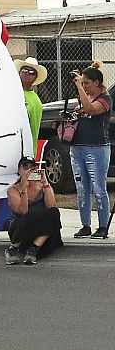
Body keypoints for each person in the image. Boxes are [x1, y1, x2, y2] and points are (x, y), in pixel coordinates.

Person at [0, 57, 47, 241]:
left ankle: (18, 222)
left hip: (26, 152)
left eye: (31, 72)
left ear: (35, 77)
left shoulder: (35, 100)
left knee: (24, 188)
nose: (27, 74)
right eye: (25, 70)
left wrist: (31, 154)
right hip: (6, 149)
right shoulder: (11, 95)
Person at [69, 60, 112, 239]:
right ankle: (85, 224)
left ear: (96, 83)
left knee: (98, 187)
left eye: (86, 83)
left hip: (97, 148)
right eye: (82, 83)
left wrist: (79, 88)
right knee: (82, 187)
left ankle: (103, 226)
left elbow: (91, 110)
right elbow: (83, 110)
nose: (84, 86)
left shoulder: (105, 99)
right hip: (77, 146)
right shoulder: (85, 98)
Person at [4, 156, 62, 265]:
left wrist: (45, 183)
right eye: (25, 167)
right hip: (22, 228)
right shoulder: (13, 190)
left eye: (32, 167)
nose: (29, 170)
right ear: (19, 170)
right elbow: (22, 211)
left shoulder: (41, 186)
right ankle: (14, 248)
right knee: (30, 215)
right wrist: (24, 189)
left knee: (54, 213)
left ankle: (35, 247)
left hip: (42, 231)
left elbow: (51, 206)